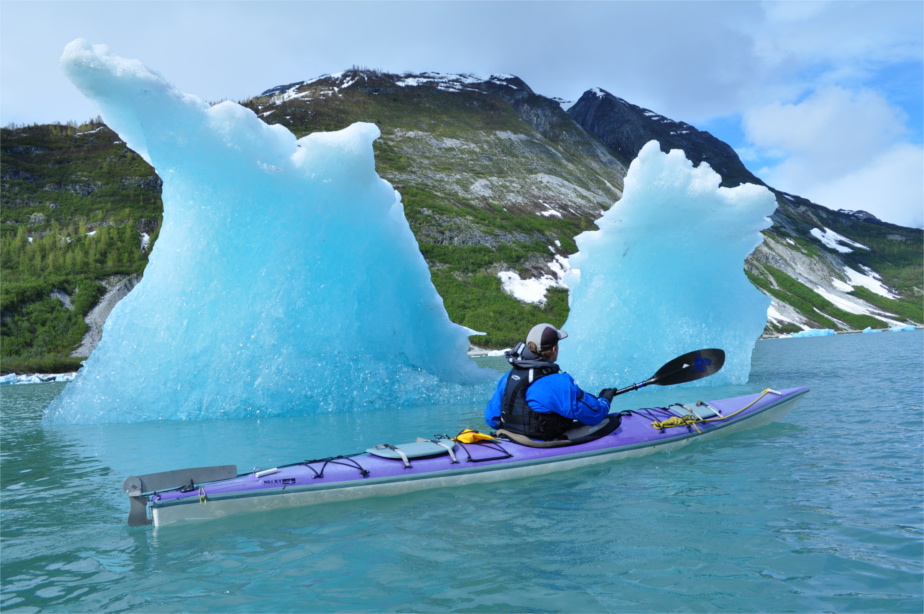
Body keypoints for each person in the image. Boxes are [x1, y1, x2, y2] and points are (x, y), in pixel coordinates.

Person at [484, 323, 617, 440]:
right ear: (554, 349)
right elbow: (595, 415)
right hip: (538, 442)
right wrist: (604, 401)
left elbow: (492, 419)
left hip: (512, 437)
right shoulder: (556, 382)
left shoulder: (509, 376)